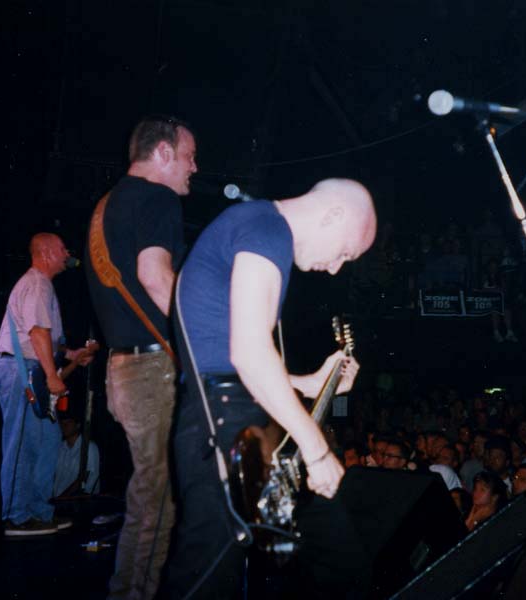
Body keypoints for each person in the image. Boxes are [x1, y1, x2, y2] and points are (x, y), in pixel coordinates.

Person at [163, 178, 377, 599]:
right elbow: (249, 354)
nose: (335, 268)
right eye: (345, 253)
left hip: (230, 413)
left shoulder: (257, 226)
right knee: (203, 582)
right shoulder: (266, 227)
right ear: (333, 215)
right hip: (224, 424)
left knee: (338, 561)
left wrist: (311, 383)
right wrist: (316, 449)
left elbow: (229, 352)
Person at [85, 115, 196, 599]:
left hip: (123, 370)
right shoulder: (158, 198)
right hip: (152, 372)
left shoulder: (105, 206)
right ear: (165, 153)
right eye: (190, 156)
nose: (195, 167)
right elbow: (155, 277)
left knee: (149, 494)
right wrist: (206, 337)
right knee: (158, 502)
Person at [0, 233, 93, 536]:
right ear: (47, 253)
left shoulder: (43, 286)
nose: (67, 254)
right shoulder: (37, 284)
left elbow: (47, 338)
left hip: (32, 369)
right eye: (63, 249)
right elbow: (37, 335)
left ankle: (38, 510)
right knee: (23, 444)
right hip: (21, 370)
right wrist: (51, 376)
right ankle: (17, 517)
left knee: (47, 442)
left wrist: (70, 354)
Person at [52, 414, 100, 497]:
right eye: (62, 423)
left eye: (69, 422)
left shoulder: (89, 447)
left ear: (78, 425)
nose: (64, 426)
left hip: (79, 503)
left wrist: (62, 498)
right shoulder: (60, 447)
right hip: (58, 501)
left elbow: (84, 478)